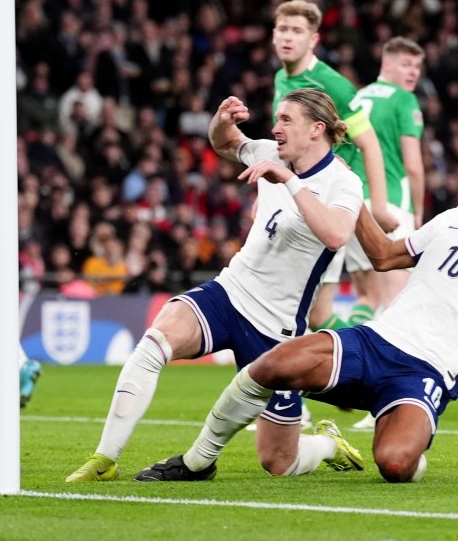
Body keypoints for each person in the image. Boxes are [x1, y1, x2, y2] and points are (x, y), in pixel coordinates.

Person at [134, 149, 458, 484]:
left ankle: (407, 445)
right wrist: (353, 193)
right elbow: (385, 256)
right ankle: (196, 462)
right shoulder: (453, 219)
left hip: (426, 372)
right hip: (375, 341)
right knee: (271, 365)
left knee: (393, 464)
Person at [64, 89, 365, 482]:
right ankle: (104, 459)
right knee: (156, 340)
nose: (275, 129)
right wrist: (222, 120)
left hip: (277, 328)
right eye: (275, 119)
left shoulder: (343, 182)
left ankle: (327, 444)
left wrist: (289, 181)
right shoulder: (269, 152)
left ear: (316, 129)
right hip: (230, 291)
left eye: (286, 120)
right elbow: (225, 143)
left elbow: (337, 235)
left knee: (279, 462)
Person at [270, 0, 396, 331]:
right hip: (302, 195)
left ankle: (362, 362)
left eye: (297, 31)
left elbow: (369, 143)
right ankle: (359, 361)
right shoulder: (281, 80)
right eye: (283, 29)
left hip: (334, 199)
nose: (288, 37)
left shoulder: (333, 85)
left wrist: (378, 206)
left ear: (313, 39)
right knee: (319, 312)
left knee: (336, 304)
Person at [335, 37, 426, 431]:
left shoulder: (356, 96)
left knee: (367, 296)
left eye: (417, 68)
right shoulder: (404, 102)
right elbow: (414, 165)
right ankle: (384, 402)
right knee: (397, 305)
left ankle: (348, 373)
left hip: (355, 204)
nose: (412, 74)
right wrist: (418, 214)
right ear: (387, 63)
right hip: (389, 206)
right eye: (406, 64)